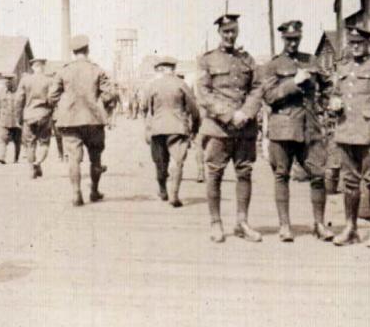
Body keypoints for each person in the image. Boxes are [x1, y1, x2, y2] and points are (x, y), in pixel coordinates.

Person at [259, 20, 334, 242]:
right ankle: (284, 226)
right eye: (289, 39)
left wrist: (329, 102)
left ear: (300, 38)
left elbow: (328, 84)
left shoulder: (311, 60)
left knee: (318, 175)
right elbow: (269, 96)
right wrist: (294, 83)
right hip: (283, 130)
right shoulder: (273, 66)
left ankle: (319, 224)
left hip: (310, 128)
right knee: (281, 175)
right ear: (283, 39)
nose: (292, 43)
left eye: (296, 39)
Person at [195, 13, 264, 243]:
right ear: (219, 33)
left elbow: (257, 88)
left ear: (238, 31)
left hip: (245, 127)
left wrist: (246, 112)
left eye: (233, 31)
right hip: (219, 128)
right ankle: (216, 223)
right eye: (226, 32)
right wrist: (229, 114)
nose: (230, 35)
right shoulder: (207, 60)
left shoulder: (247, 60)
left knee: (244, 173)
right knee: (214, 174)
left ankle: (242, 223)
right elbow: (204, 93)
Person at [328, 26, 370, 248]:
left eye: (359, 42)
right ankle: (350, 228)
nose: (355, 46)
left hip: (369, 136)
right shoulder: (343, 67)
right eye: (352, 42)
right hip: (346, 133)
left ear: (368, 44)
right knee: (349, 183)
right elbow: (335, 96)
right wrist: (334, 104)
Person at [48, 34, 116, 206]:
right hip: (93, 120)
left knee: (73, 159)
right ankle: (94, 191)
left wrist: (61, 106)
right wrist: (104, 106)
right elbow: (111, 94)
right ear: (87, 50)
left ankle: (76, 194)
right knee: (96, 158)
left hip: (70, 121)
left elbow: (51, 96)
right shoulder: (97, 70)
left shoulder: (64, 70)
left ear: (73, 52)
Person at [142, 57, 201, 207]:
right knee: (178, 161)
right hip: (178, 128)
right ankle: (174, 195)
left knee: (160, 162)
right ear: (173, 69)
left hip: (158, 128)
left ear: (161, 69)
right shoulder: (182, 84)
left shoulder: (153, 85)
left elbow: (144, 107)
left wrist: (148, 124)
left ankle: (162, 190)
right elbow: (194, 108)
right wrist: (194, 127)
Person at [17, 58, 55, 179]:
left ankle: (31, 169)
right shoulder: (50, 81)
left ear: (33, 67)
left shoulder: (25, 80)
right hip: (44, 115)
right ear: (43, 66)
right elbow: (52, 99)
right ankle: (38, 163)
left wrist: (19, 117)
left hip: (29, 116)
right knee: (44, 143)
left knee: (29, 144)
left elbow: (19, 100)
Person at [0, 76, 23, 164]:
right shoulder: (1, 93)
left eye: (9, 81)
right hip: (4, 121)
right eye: (6, 81)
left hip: (16, 121)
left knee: (17, 141)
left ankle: (16, 158)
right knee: (3, 139)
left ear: (13, 81)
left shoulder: (19, 92)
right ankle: (2, 157)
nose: (7, 83)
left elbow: (22, 106)